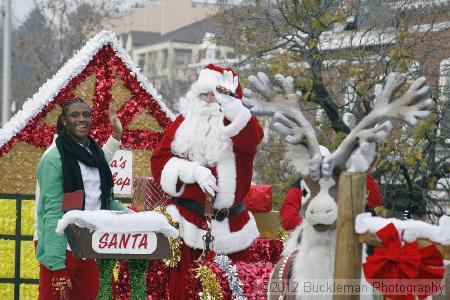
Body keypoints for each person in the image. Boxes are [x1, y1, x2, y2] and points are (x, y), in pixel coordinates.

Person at [151, 64, 264, 299]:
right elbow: (159, 160)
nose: (208, 100)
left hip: (232, 229)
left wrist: (232, 104)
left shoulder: (238, 126)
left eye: (214, 94)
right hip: (186, 225)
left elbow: (253, 139)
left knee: (235, 291)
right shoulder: (184, 122)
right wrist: (189, 171)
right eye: (204, 94)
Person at [36, 98, 125, 300]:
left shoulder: (94, 155)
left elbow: (104, 201)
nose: (82, 119)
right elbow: (53, 212)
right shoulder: (53, 159)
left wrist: (133, 216)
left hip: (92, 247)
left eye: (86, 115)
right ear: (64, 121)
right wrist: (58, 265)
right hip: (64, 249)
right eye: (75, 115)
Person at [280, 147, 384, 231]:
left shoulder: (337, 186)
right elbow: (288, 221)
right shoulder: (298, 190)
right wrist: (320, 223)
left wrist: (362, 168)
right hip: (306, 244)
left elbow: (374, 201)